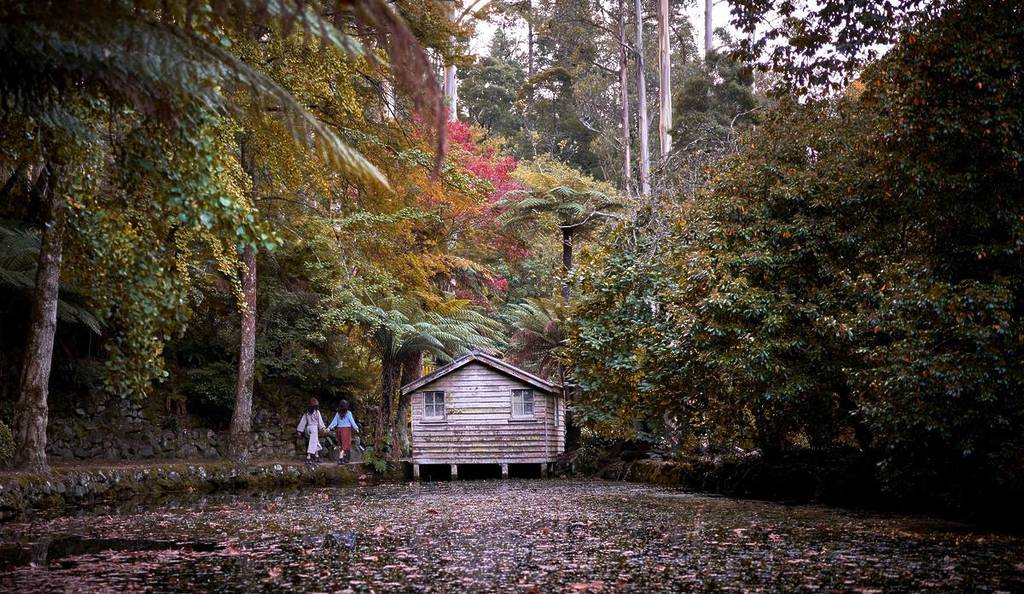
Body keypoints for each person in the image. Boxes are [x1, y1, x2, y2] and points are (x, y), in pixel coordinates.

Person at [327, 400, 360, 464]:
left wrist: (328, 428)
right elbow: (352, 422)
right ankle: (340, 458)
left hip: (339, 430)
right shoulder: (348, 413)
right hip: (346, 430)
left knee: (342, 445)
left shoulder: (337, 413)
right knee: (345, 445)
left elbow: (334, 422)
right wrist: (356, 428)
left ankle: (345, 459)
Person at [296, 398, 326, 466]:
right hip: (314, 428)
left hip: (308, 429)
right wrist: (323, 428)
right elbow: (320, 421)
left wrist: (300, 430)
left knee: (315, 441)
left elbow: (303, 421)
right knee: (313, 442)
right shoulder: (317, 412)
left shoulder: (307, 412)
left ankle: (317, 456)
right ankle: (308, 457)